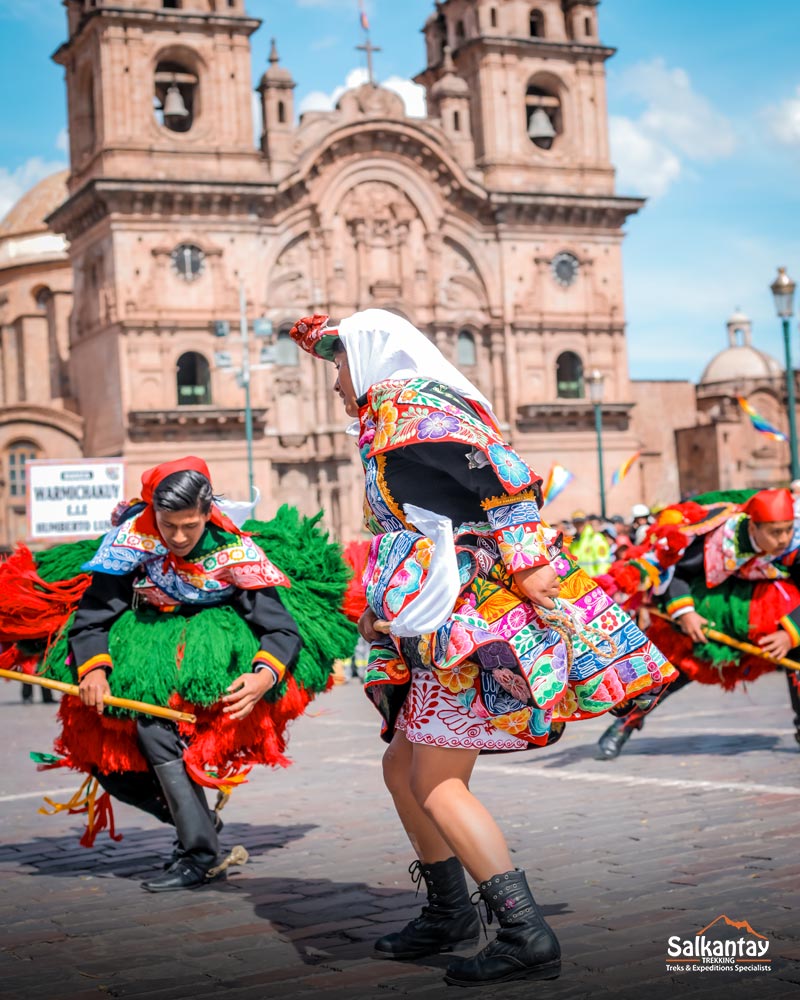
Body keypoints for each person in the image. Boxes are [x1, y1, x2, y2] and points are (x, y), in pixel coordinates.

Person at [290, 309, 674, 988]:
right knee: (401, 767)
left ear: (373, 356)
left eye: (340, 363)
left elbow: (501, 475)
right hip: (439, 614)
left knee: (435, 783)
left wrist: (528, 563)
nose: (335, 382)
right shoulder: (393, 414)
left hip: (467, 621)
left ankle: (524, 933)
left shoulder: (415, 412)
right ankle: (449, 913)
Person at [0, 457, 356, 889]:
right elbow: (94, 615)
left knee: (153, 726)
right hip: (141, 651)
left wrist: (264, 675)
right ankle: (200, 826)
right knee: (104, 762)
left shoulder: (235, 554)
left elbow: (279, 627)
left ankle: (199, 853)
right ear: (154, 515)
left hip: (209, 658)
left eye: (191, 525)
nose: (180, 537)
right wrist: (93, 670)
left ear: (208, 513)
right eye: (170, 526)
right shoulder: (129, 544)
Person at [596, 489, 800, 758]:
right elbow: (671, 568)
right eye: (775, 532)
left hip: (764, 603)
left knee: (797, 656)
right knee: (677, 664)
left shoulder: (794, 547)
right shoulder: (713, 542)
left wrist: (790, 633)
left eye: (787, 530)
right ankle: (626, 721)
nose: (784, 539)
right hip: (706, 601)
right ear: (753, 525)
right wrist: (685, 612)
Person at [568, 511, 612, 575]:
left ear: (586, 522)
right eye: (576, 523)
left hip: (594, 581)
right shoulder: (574, 543)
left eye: (581, 522)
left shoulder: (596, 538)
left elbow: (603, 565)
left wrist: (600, 582)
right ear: (573, 524)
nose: (579, 525)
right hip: (580, 582)